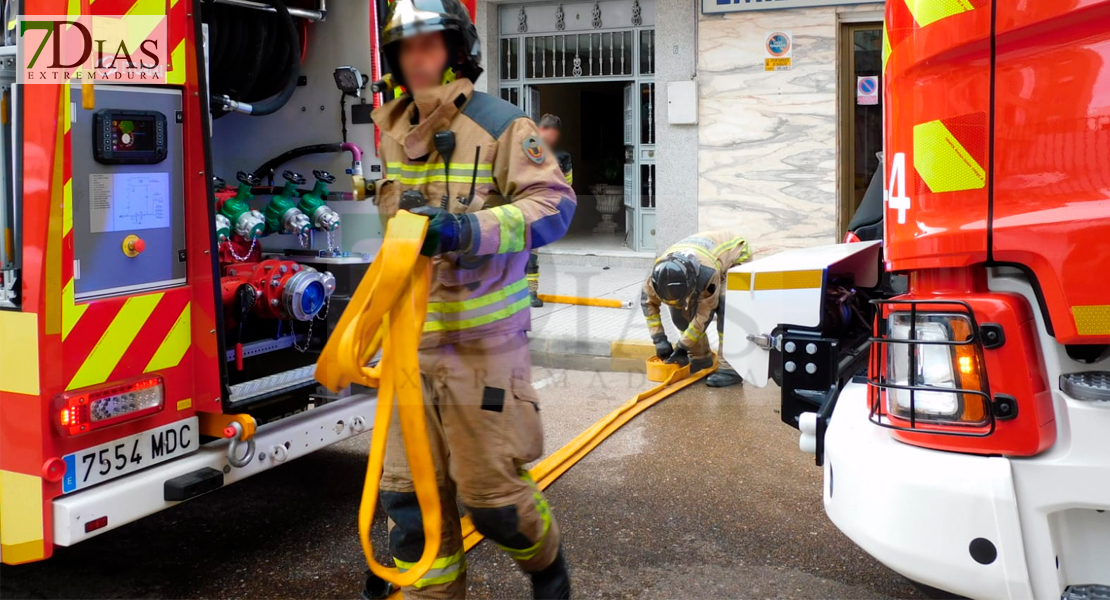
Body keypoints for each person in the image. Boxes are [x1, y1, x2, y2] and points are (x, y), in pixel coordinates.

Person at [368, 0, 576, 597]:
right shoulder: (391, 132)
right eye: (406, 47)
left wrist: (466, 230)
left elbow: (555, 207)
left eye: (430, 44)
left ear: (458, 50)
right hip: (409, 347)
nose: (418, 58)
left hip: (482, 349)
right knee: (409, 509)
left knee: (494, 506)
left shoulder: (502, 124)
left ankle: (550, 574)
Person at [641, 231, 751, 388]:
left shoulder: (707, 275)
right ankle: (701, 358)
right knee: (680, 315)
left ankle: (730, 369)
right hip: (705, 257)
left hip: (736, 256)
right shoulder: (657, 277)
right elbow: (648, 303)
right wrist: (659, 339)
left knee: (727, 310)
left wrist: (682, 346)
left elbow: (704, 315)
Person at [526, 114, 574, 308]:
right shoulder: (559, 156)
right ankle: (528, 293)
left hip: (531, 208)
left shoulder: (526, 149)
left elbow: (568, 184)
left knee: (529, 254)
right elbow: (568, 183)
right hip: (529, 207)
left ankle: (528, 293)